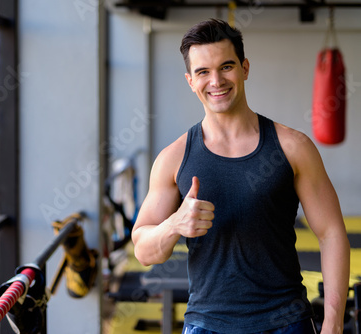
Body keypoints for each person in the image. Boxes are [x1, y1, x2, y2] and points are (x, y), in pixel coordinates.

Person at [131, 18, 350, 334]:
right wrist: (175, 224)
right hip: (206, 325)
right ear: (190, 80)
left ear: (245, 68)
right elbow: (144, 250)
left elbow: (331, 233)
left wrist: (333, 323)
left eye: (226, 67)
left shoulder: (292, 147)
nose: (216, 80)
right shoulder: (173, 159)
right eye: (203, 72)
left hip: (286, 323)